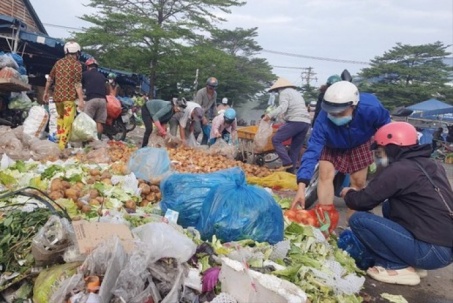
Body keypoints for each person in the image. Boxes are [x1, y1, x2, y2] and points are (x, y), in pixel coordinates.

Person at [340, 122, 453, 286]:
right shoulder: (433, 165)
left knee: (359, 219)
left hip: (429, 253)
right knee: (389, 206)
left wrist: (348, 193)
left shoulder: (399, 169)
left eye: (381, 151)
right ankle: (415, 264)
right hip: (445, 251)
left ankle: (397, 267)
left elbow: (363, 201)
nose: (380, 156)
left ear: (393, 147)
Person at [291, 81, 391, 233]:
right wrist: (301, 187)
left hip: (360, 142)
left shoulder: (371, 108)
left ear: (353, 105)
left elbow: (386, 128)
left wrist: (384, 154)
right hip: (332, 144)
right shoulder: (323, 121)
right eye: (332, 112)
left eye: (340, 112)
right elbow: (312, 152)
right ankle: (326, 222)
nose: (335, 116)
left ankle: (352, 225)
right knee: (325, 176)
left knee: (358, 183)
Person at [263, 77, 311, 173]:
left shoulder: (284, 92)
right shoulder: (296, 93)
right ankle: (290, 173)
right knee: (295, 149)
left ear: (278, 88)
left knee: (276, 139)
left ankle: (286, 162)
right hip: (305, 122)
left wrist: (269, 115)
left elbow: (283, 107)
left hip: (296, 121)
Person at [43, 41, 85, 150]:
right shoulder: (77, 65)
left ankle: (60, 142)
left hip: (57, 99)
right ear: (77, 52)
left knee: (60, 119)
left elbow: (50, 79)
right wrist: (81, 100)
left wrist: (45, 92)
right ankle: (61, 147)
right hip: (69, 100)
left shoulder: (58, 63)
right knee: (68, 123)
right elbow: (77, 84)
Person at [81, 57, 107, 140]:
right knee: (99, 122)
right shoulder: (102, 76)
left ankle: (87, 141)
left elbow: (79, 86)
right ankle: (98, 140)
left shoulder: (85, 74)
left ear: (88, 66)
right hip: (103, 100)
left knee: (87, 120)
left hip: (92, 99)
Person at [194, 77, 218, 144]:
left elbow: (214, 106)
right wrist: (202, 117)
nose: (212, 89)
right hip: (197, 114)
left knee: (207, 132)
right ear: (207, 86)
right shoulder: (200, 92)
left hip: (206, 114)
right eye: (211, 88)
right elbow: (197, 106)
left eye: (214, 88)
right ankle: (193, 144)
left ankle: (203, 146)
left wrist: (216, 117)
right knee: (197, 130)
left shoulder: (215, 94)